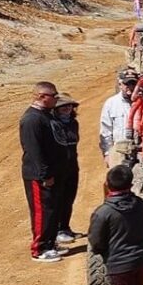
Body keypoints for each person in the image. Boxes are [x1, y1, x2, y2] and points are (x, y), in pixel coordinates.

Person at [20, 81, 68, 262]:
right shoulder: (32, 119)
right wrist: (45, 175)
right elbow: (34, 151)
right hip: (39, 176)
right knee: (42, 212)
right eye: (53, 96)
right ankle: (39, 249)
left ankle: (49, 243)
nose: (56, 99)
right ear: (41, 96)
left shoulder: (46, 115)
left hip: (54, 173)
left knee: (53, 210)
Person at [49, 95, 84, 245]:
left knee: (69, 198)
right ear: (55, 109)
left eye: (70, 106)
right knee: (57, 199)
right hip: (58, 168)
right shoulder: (52, 124)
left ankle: (65, 227)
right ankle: (56, 231)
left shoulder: (73, 123)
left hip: (72, 166)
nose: (68, 109)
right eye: (64, 106)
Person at [98, 69, 141, 164]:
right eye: (127, 84)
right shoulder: (111, 103)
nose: (130, 87)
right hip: (119, 152)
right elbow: (106, 131)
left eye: (133, 84)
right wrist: (107, 154)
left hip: (140, 152)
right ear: (120, 85)